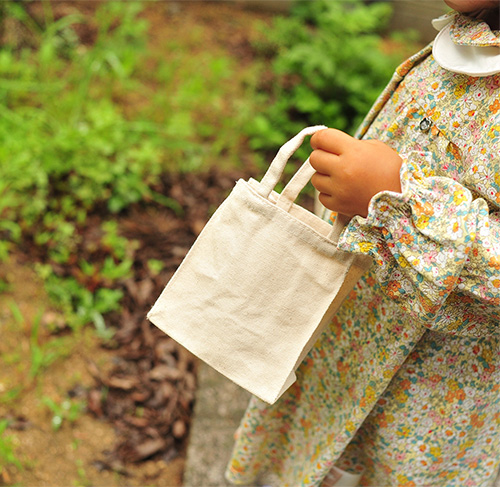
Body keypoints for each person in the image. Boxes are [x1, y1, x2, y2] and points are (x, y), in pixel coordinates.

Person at [225, 0, 500, 486]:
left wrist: (394, 197)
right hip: (345, 337)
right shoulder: (472, 36)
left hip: (430, 395)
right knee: (312, 453)